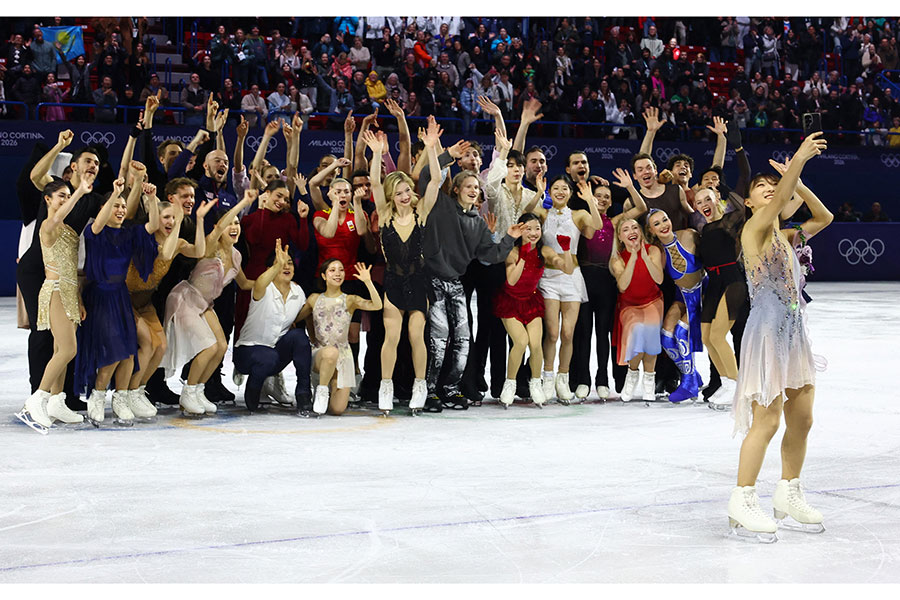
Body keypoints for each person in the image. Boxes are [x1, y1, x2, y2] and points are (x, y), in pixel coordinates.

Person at [727, 132, 831, 541]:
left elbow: (824, 219)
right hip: (767, 334)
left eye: (775, 187)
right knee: (766, 420)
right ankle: (743, 496)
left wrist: (798, 183)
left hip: (794, 334)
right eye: (762, 189)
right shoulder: (753, 229)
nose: (771, 192)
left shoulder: (788, 237)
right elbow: (774, 207)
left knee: (802, 418)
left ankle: (788, 490)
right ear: (751, 202)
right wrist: (800, 160)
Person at [418, 142, 524, 412]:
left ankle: (452, 390)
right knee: (439, 338)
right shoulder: (440, 205)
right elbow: (427, 178)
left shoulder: (477, 222)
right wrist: (447, 156)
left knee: (463, 339)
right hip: (433, 280)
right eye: (469, 186)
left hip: (455, 284)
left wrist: (509, 238)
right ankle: (430, 392)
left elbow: (491, 254)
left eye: (477, 188)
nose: (474, 190)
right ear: (456, 190)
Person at [363, 121, 441, 415]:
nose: (406, 195)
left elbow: (434, 182)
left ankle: (420, 385)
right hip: (394, 283)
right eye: (399, 192)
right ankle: (386, 385)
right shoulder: (384, 216)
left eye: (407, 190)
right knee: (391, 337)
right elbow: (373, 184)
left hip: (419, 281)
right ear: (391, 197)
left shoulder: (421, 213)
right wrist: (375, 154)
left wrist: (431, 148)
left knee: (416, 336)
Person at [161, 192, 257, 416]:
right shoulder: (211, 246)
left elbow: (244, 283)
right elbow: (217, 229)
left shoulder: (236, 255)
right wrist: (243, 203)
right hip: (186, 298)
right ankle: (188, 391)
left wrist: (276, 276)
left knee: (221, 347)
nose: (234, 227)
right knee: (209, 347)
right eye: (230, 223)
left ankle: (198, 391)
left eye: (237, 223)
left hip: (205, 304)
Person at [76, 177, 160, 426]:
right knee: (113, 349)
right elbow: (100, 222)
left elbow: (153, 225)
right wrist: (115, 193)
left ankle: (121, 397)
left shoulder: (129, 234)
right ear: (105, 208)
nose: (121, 209)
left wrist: (152, 199)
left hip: (120, 296)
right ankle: (98, 395)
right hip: (99, 295)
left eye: (123, 206)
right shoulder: (94, 232)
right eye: (116, 206)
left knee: (128, 352)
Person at [15, 178, 93, 433]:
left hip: (70, 291)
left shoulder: (67, 230)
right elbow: (58, 218)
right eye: (60, 195)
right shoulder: (48, 225)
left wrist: (78, 298)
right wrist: (80, 190)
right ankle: (36, 399)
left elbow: (71, 265)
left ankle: (57, 400)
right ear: (47, 199)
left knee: (62, 347)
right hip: (56, 290)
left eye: (67, 195)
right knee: (68, 349)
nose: (64, 199)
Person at [569, 175, 647, 401]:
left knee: (603, 334)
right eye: (598, 196)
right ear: (590, 198)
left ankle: (602, 379)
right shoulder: (584, 220)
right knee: (583, 333)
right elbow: (590, 233)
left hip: (606, 282)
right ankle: (583, 379)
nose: (602, 199)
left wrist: (630, 187)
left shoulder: (614, 222)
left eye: (607, 197)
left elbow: (641, 207)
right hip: (584, 279)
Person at [529, 174, 602, 404]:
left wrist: (590, 200)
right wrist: (539, 193)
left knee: (568, 333)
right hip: (548, 277)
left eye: (564, 188)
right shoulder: (543, 212)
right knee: (551, 332)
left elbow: (597, 227)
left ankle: (563, 378)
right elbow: (525, 215)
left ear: (570, 193)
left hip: (572, 277)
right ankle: (547, 376)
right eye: (555, 188)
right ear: (550, 192)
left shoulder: (578, 215)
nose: (560, 191)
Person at [495, 212, 574, 408]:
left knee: (536, 344)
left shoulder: (544, 251)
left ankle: (535, 383)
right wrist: (524, 254)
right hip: (510, 301)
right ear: (520, 230)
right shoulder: (512, 252)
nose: (533, 232)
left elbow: (567, 269)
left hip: (531, 301)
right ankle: (510, 384)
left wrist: (565, 250)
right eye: (528, 228)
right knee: (520, 342)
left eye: (537, 228)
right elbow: (512, 280)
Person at [234, 239, 313, 414]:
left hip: (275, 353)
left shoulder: (298, 292)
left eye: (290, 263)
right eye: (280, 264)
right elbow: (261, 281)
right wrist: (277, 265)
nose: (286, 267)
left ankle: (304, 394)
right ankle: (253, 391)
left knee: (299, 336)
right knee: (267, 356)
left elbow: (297, 319)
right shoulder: (263, 287)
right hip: (247, 352)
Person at [296, 259, 383, 416]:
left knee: (337, 409)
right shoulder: (314, 299)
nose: (338, 273)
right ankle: (322, 390)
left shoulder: (350, 300)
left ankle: (328, 393)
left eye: (341, 270)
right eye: (332, 270)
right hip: (321, 354)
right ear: (323, 275)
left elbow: (377, 305)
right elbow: (295, 319)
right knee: (330, 353)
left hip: (343, 357)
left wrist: (368, 282)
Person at [695, 187, 747, 410]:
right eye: (699, 202)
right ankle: (726, 383)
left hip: (732, 280)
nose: (704, 204)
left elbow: (743, 208)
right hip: (713, 284)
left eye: (708, 198)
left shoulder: (728, 222)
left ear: (717, 199)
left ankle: (737, 388)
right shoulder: (704, 229)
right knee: (706, 337)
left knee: (717, 336)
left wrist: (724, 188)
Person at [646, 208, 706, 403]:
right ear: (651, 230)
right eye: (657, 224)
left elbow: (711, 258)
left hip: (703, 291)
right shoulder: (658, 252)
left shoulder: (689, 235)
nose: (663, 225)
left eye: (665, 219)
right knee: (666, 336)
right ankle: (692, 375)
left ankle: (689, 384)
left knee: (681, 332)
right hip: (682, 296)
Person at [610, 218, 665, 401]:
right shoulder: (617, 259)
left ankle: (649, 378)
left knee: (650, 333)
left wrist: (644, 256)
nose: (631, 231)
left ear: (641, 232)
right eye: (626, 229)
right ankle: (632, 374)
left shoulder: (653, 251)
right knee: (637, 331)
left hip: (652, 301)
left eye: (634, 227)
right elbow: (623, 286)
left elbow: (659, 279)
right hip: (629, 306)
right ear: (620, 236)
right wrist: (633, 257)